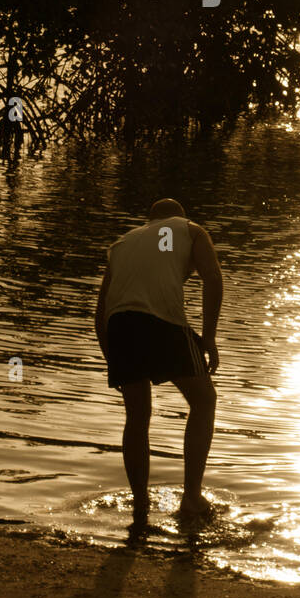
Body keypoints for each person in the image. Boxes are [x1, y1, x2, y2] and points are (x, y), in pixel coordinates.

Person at [95, 198, 223, 525]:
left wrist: (113, 357)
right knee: (204, 400)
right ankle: (191, 498)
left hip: (120, 325)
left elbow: (101, 311)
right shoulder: (191, 230)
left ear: (148, 220)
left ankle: (141, 504)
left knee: (137, 415)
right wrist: (208, 338)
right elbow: (213, 278)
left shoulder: (122, 243)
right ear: (180, 216)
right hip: (162, 321)